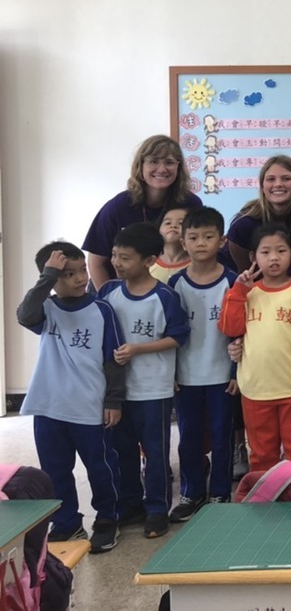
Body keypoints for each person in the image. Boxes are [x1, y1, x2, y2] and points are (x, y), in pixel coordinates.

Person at [17, 241, 124, 554]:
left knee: (101, 468)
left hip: (90, 407)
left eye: (81, 271)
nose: (79, 279)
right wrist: (47, 276)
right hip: (48, 406)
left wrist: (113, 401)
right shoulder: (45, 309)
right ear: (51, 278)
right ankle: (67, 522)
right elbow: (25, 314)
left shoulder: (102, 309)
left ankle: (107, 519)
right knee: (55, 471)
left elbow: (113, 359)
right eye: (68, 274)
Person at [99, 222, 190, 539]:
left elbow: (178, 337)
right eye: (114, 255)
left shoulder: (164, 296)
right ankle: (130, 505)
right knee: (122, 451)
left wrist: (139, 349)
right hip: (117, 392)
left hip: (154, 389)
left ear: (149, 260)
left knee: (155, 454)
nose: (116, 262)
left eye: (125, 257)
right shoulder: (108, 292)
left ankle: (156, 510)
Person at [218, 223, 291, 471]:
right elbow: (229, 328)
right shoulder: (246, 292)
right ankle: (265, 503)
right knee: (262, 454)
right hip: (255, 390)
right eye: (265, 252)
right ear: (253, 257)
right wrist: (238, 292)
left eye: (281, 251)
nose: (274, 258)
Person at [167, 207, 237, 521]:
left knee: (223, 436)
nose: (200, 243)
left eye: (208, 237)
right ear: (182, 241)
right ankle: (192, 492)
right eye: (193, 237)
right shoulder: (175, 283)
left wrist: (237, 373)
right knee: (189, 438)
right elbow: (168, 332)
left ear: (221, 241)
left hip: (222, 375)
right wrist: (170, 374)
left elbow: (242, 334)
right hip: (186, 376)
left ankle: (220, 492)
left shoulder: (233, 282)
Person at [84, 135, 200, 287]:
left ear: (178, 167)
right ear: (141, 166)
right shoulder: (118, 206)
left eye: (169, 162)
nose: (162, 169)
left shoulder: (191, 204)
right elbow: (95, 262)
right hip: (117, 289)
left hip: (172, 286)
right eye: (153, 161)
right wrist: (109, 303)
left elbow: (199, 251)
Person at [224, 156, 291, 272]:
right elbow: (244, 273)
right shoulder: (243, 225)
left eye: (286, 178)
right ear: (262, 187)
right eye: (271, 179)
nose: (278, 184)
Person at [149, 206, 190, 284]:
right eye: (168, 223)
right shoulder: (149, 264)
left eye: (181, 223)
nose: (173, 226)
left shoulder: (197, 265)